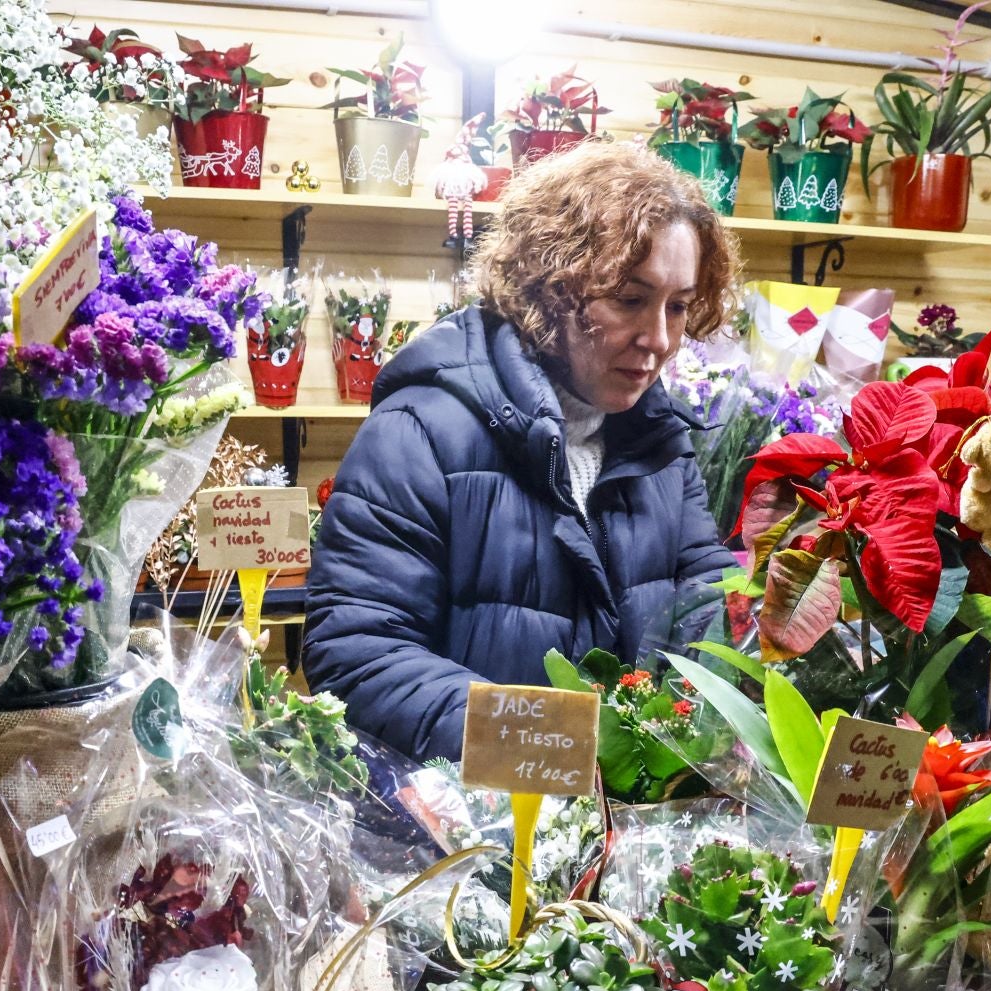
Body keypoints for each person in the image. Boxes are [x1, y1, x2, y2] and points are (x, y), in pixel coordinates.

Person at [305, 141, 739, 761]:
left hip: (621, 836)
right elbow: (356, 654)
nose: (660, 339)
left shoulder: (661, 446)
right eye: (629, 299)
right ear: (549, 286)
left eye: (678, 305)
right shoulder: (420, 433)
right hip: (460, 838)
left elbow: (705, 614)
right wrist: (550, 747)